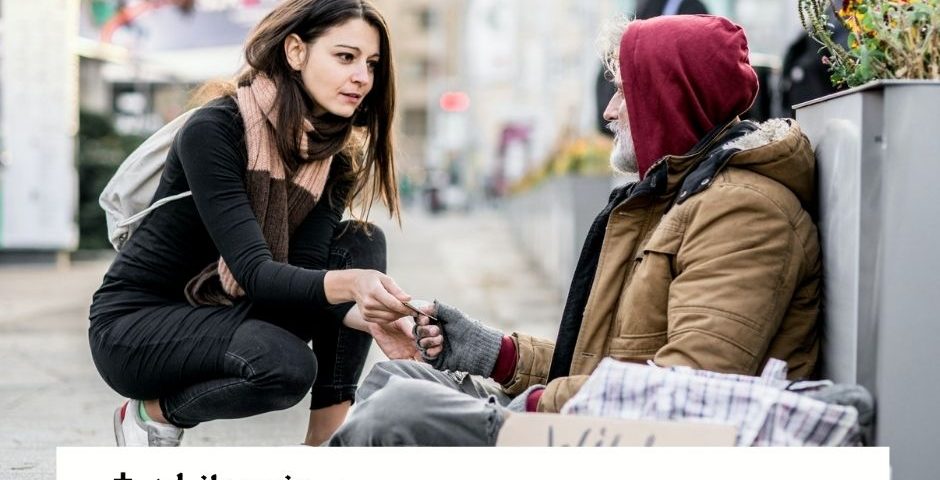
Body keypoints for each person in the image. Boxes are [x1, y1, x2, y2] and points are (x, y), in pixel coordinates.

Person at [330, 14, 822, 446]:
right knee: (395, 380)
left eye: (624, 92)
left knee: (399, 414)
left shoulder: (745, 214)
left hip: (643, 444)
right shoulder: (677, 197)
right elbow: (603, 368)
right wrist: (495, 352)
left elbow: (681, 391)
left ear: (670, 98)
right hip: (607, 425)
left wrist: (533, 408)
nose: (608, 111)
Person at [89, 0, 419, 448]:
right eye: (346, 57)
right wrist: (354, 286)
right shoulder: (215, 130)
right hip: (138, 325)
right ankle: (153, 415)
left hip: (229, 311)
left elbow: (303, 275)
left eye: (372, 64)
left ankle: (328, 437)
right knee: (285, 367)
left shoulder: (332, 159)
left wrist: (376, 317)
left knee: (359, 241)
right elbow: (257, 274)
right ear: (296, 51)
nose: (363, 77)